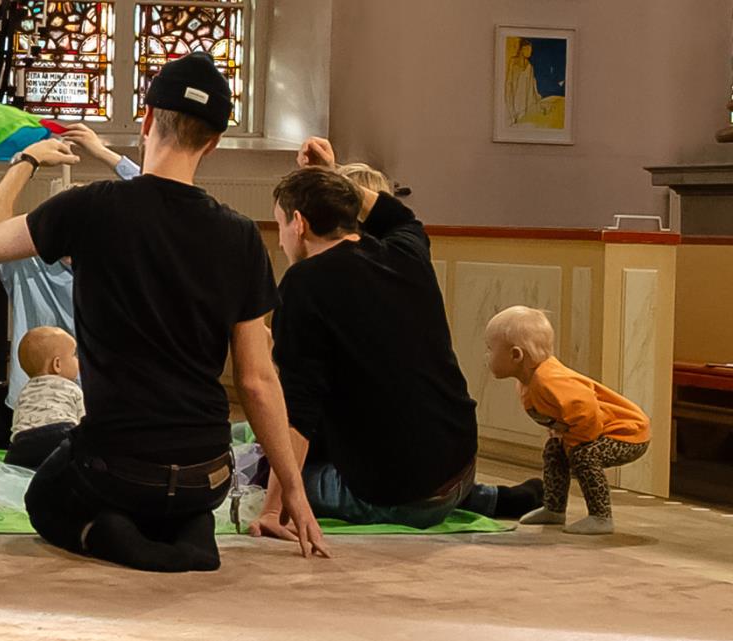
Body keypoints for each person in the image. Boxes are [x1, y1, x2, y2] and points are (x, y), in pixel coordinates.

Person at [0, 53, 328, 571]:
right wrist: (292, 492)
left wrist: (26, 162)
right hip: (206, 474)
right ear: (214, 142)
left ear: (146, 120)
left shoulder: (91, 208)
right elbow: (256, 379)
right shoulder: (240, 235)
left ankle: (109, 534)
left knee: (45, 497)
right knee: (178, 493)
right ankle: (190, 531)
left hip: (117, 466)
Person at [257, 140, 542, 537]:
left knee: (262, 465)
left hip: (395, 495)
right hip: (460, 466)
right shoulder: (406, 251)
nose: (281, 239)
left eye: (280, 225)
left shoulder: (303, 285)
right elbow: (399, 216)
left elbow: (298, 414)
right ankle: (482, 497)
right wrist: (333, 175)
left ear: (299, 222)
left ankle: (442, 503)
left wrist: (274, 508)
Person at [0, 123, 138, 450]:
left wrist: (100, 152)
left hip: (94, 411)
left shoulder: (117, 265)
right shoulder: (26, 259)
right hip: (30, 407)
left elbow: (162, 203)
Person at [485, 306, 650, 535]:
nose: (487, 356)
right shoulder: (528, 381)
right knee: (554, 451)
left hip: (628, 433)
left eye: (490, 350)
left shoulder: (548, 380)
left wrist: (574, 443)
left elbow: (586, 410)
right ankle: (554, 509)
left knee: (584, 454)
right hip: (600, 430)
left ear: (516, 355)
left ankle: (601, 516)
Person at [5, 326, 85, 471]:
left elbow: (18, 420)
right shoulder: (72, 389)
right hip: (60, 434)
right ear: (57, 365)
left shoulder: (24, 392)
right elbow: (84, 423)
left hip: (21, 445)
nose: (78, 360)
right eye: (75, 355)